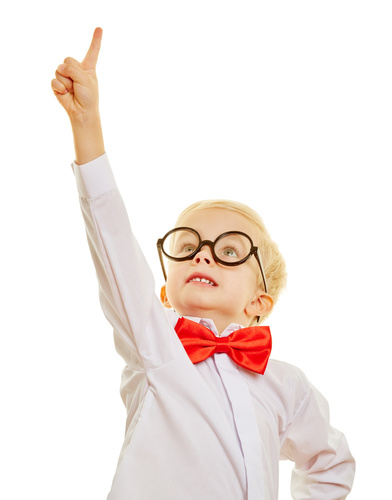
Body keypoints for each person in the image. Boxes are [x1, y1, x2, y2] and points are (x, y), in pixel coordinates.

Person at [51, 28, 355, 500]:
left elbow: (331, 464)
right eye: (188, 245)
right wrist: (86, 124)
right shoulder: (155, 343)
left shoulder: (287, 385)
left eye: (230, 251)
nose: (203, 253)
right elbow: (112, 242)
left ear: (259, 302)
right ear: (164, 293)